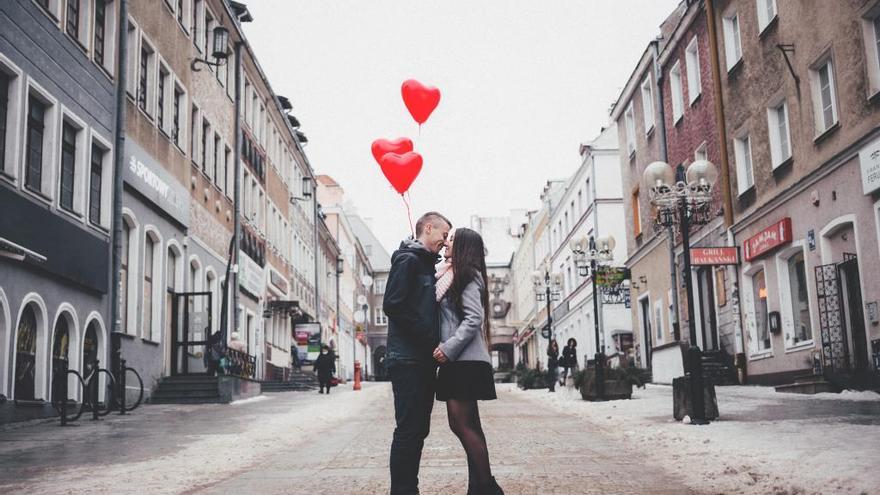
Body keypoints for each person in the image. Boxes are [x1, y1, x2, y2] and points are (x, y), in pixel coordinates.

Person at [383, 211, 452, 495]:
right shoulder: (408, 261)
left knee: (417, 430)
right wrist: (428, 341)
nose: (445, 241)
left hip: (420, 360)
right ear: (427, 227)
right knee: (409, 430)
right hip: (408, 359)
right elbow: (393, 305)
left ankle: (409, 488)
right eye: (443, 235)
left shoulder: (425, 265)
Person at [433, 228, 504, 495]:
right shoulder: (448, 275)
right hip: (459, 361)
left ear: (463, 246)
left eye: (451, 239)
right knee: (469, 425)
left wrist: (447, 349)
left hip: (464, 361)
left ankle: (487, 487)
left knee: (461, 425)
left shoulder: (467, 275)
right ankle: (479, 487)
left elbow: (474, 318)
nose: (446, 243)